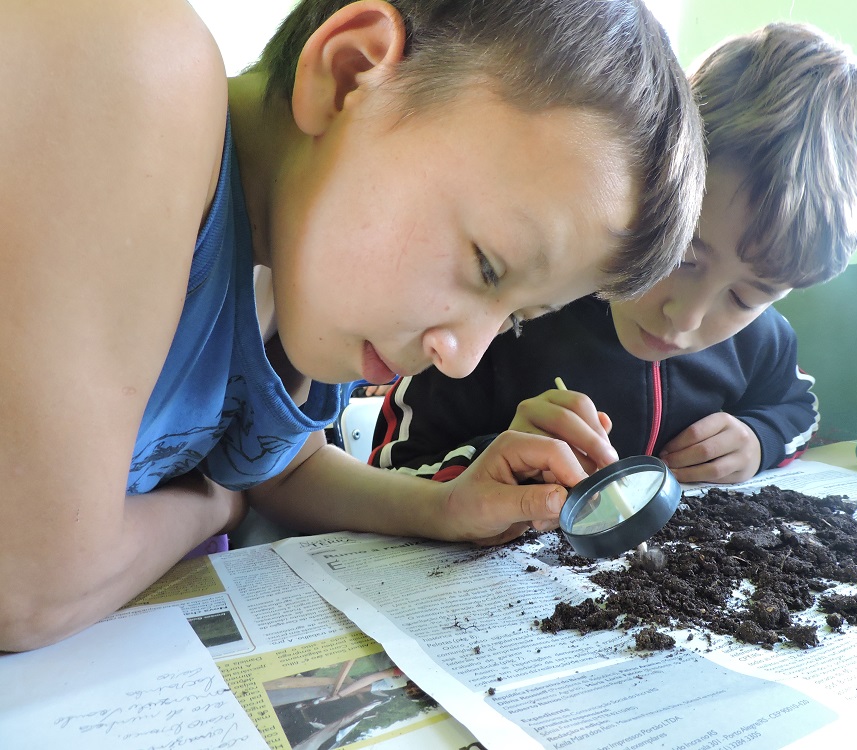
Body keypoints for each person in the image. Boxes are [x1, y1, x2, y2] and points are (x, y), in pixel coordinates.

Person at [0, 0, 706, 651]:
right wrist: (214, 502)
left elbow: (282, 464)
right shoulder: (130, 60)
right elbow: (30, 586)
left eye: (518, 318)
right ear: (349, 74)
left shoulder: (294, 279)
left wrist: (447, 506)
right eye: (488, 265)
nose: (460, 359)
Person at [370, 22, 857, 486]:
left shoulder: (760, 343)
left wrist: (759, 439)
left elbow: (798, 408)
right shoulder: (510, 313)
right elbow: (392, 466)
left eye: (744, 297)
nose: (686, 318)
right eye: (682, 256)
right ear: (643, 182)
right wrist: (492, 459)